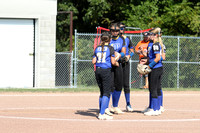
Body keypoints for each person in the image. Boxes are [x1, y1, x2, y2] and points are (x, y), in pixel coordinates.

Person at [92, 32, 119, 120]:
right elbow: (113, 62)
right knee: (106, 93)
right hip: (105, 71)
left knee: (102, 92)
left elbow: (93, 61)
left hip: (98, 70)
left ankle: (101, 111)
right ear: (110, 39)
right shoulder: (110, 48)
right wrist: (117, 62)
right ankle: (102, 113)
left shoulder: (97, 48)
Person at [140, 28, 164, 116]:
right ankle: (154, 107)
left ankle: (156, 109)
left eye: (151, 34)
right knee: (154, 88)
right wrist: (145, 61)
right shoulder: (152, 44)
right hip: (156, 68)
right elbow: (152, 57)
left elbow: (158, 58)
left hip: (156, 68)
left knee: (154, 88)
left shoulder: (155, 44)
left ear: (155, 36)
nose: (149, 36)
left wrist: (149, 66)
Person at [109, 22, 126, 114]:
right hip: (109, 65)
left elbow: (124, 51)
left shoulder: (122, 39)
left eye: (116, 30)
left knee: (119, 85)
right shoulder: (108, 38)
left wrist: (119, 55)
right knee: (110, 85)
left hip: (118, 64)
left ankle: (115, 106)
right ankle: (106, 107)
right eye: (113, 30)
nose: (115, 32)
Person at [119, 22, 134, 112]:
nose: (120, 30)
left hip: (125, 63)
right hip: (116, 63)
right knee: (115, 85)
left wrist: (129, 56)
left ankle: (128, 103)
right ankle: (114, 105)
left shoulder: (127, 38)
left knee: (126, 85)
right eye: (119, 28)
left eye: (122, 28)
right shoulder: (113, 39)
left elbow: (132, 50)